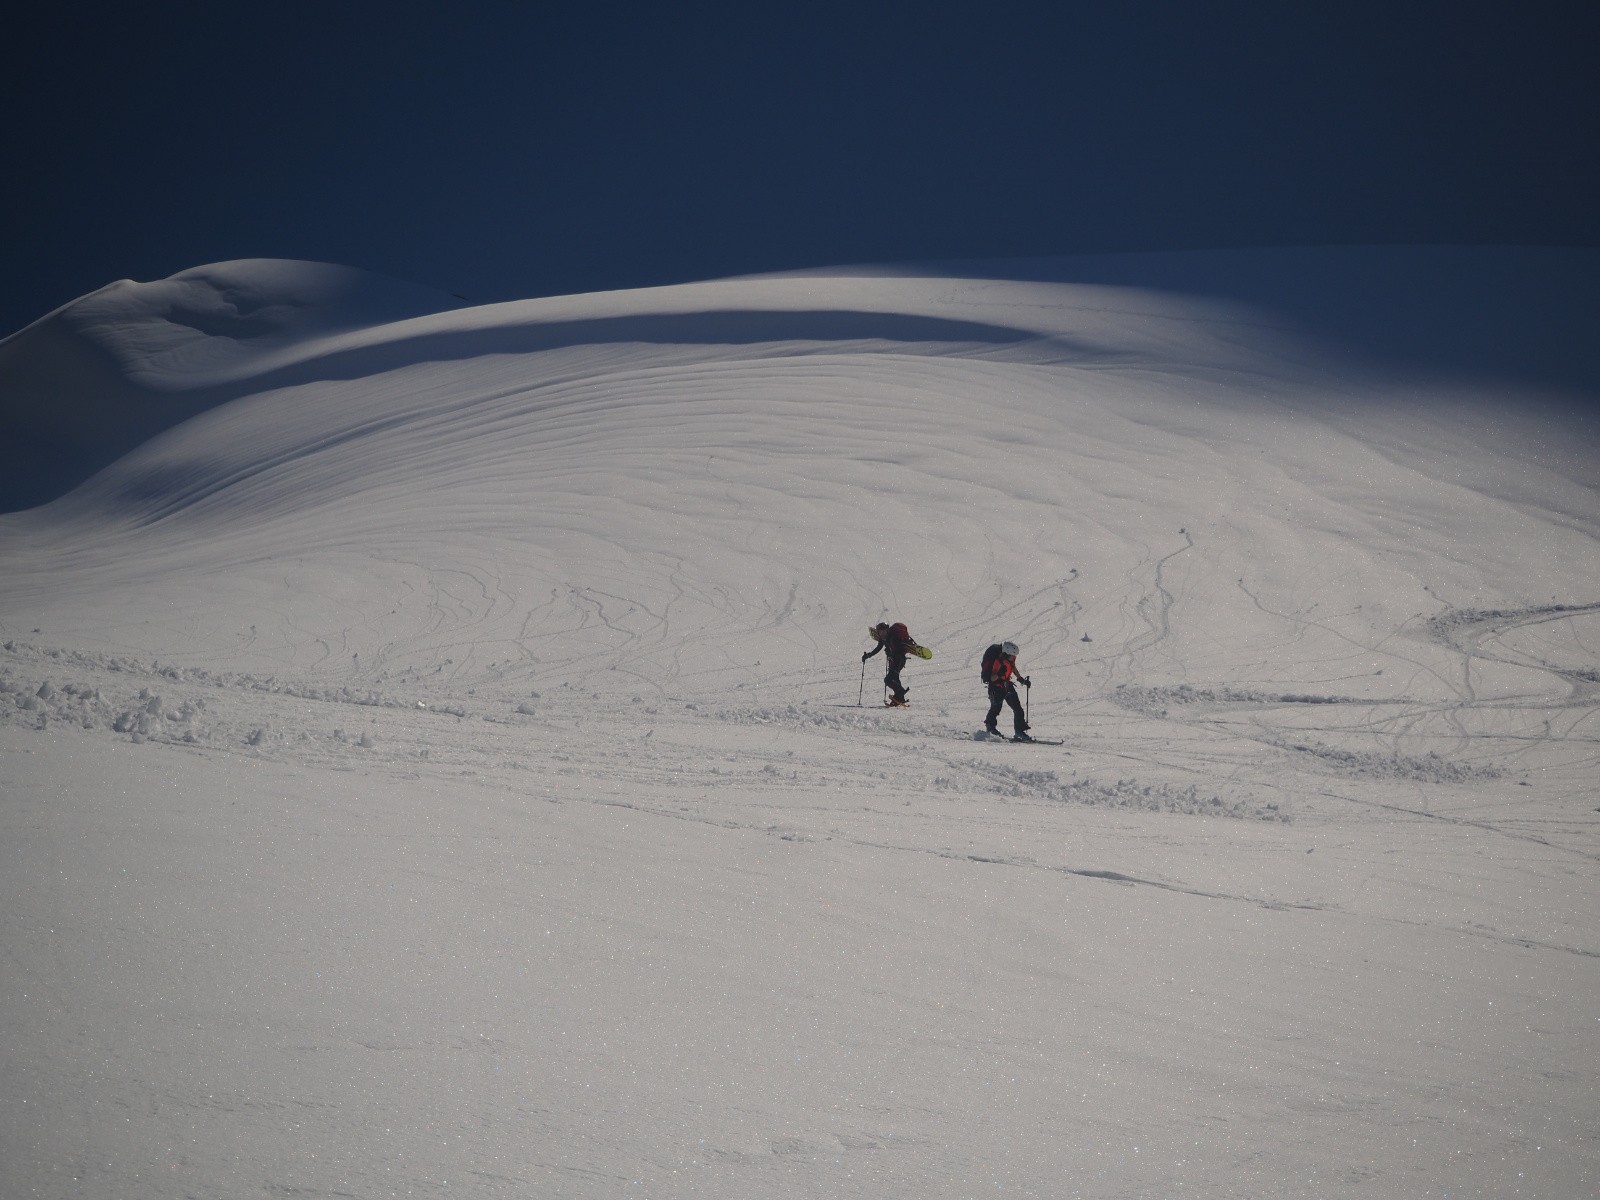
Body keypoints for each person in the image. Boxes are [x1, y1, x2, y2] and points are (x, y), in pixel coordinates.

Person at [983, 641, 1032, 739]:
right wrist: (999, 674)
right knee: (995, 709)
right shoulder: (998, 662)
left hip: (1007, 685)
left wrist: (1021, 679)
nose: (1014, 658)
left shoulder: (1011, 658)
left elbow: (1013, 667)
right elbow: (992, 678)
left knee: (1018, 708)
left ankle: (1019, 731)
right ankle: (991, 728)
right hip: (996, 687)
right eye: (1012, 655)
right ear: (1006, 653)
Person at [863, 621, 919, 706]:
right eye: (880, 632)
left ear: (887, 630)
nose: (882, 633)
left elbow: (898, 648)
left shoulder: (893, 637)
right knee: (895, 679)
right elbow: (878, 648)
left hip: (899, 660)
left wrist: (890, 652)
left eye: (883, 631)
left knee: (888, 680)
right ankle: (900, 699)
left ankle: (900, 692)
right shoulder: (883, 639)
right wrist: (868, 655)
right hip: (893, 660)